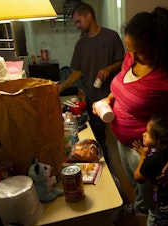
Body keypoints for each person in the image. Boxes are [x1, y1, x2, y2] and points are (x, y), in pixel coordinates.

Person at [92, 7, 168, 226]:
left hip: (147, 148)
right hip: (124, 140)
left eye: (140, 52)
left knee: (152, 198)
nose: (132, 57)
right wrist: (108, 100)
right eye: (130, 51)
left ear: (159, 48)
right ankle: (141, 206)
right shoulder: (131, 58)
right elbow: (122, 85)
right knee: (137, 185)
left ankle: (149, 213)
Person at [58, 2, 125, 165]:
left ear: (89, 16)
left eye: (78, 21)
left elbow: (123, 62)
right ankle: (102, 165)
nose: (77, 26)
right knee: (97, 136)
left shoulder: (111, 36)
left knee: (116, 136)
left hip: (111, 96)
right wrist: (60, 88)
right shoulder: (81, 44)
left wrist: (108, 68)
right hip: (91, 97)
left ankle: (112, 166)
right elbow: (77, 72)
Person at [133, 114, 168, 226]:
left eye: (149, 134)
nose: (144, 134)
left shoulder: (154, 160)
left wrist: (143, 156)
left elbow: (138, 178)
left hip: (167, 207)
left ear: (162, 145)